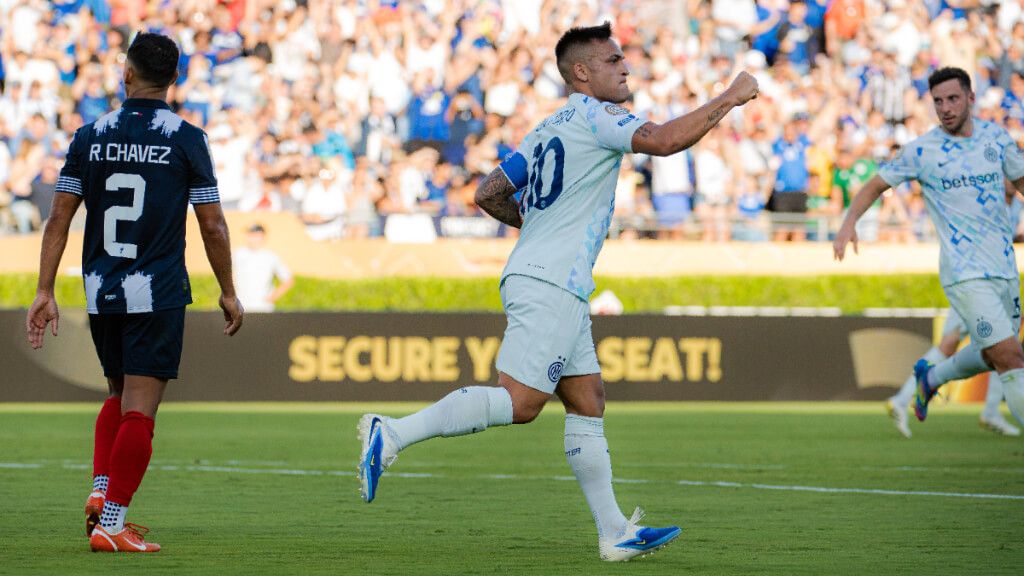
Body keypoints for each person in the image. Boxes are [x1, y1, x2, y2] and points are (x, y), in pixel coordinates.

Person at [357, 22, 759, 562]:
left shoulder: (549, 126)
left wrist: (540, 226)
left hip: (551, 276)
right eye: (614, 60)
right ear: (582, 73)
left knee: (587, 400)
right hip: (550, 279)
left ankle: (614, 531)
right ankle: (393, 433)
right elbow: (664, 141)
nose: (626, 68)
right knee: (521, 404)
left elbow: (489, 191)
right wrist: (731, 97)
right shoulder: (598, 115)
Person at [25, 33, 243, 553]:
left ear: (126, 74)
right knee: (141, 410)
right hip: (157, 292)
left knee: (117, 395)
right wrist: (229, 290)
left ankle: (102, 492)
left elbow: (59, 217)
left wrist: (44, 289)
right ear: (174, 80)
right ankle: (112, 523)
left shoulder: (89, 134)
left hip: (101, 290)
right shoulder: (186, 138)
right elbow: (212, 225)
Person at [834, 67, 1024, 430]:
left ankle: (932, 378)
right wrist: (848, 223)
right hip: (964, 273)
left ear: (971, 98)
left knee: (991, 355)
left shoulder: (996, 138)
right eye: (938, 101)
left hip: (1003, 267)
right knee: (1011, 358)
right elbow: (875, 185)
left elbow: (1021, 181)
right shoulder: (923, 151)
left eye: (953, 98)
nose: (946, 107)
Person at [886, 308, 1020, 438]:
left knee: (1001, 349)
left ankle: (903, 398)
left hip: (979, 290)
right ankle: (907, 396)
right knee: (1001, 347)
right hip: (978, 289)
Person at [233, 223, 294, 312]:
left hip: (263, 308)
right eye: (249, 234)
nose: (251, 237)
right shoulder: (237, 254)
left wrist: (272, 298)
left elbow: (288, 280)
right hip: (240, 308)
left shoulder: (270, 257)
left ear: (262, 236)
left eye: (254, 234)